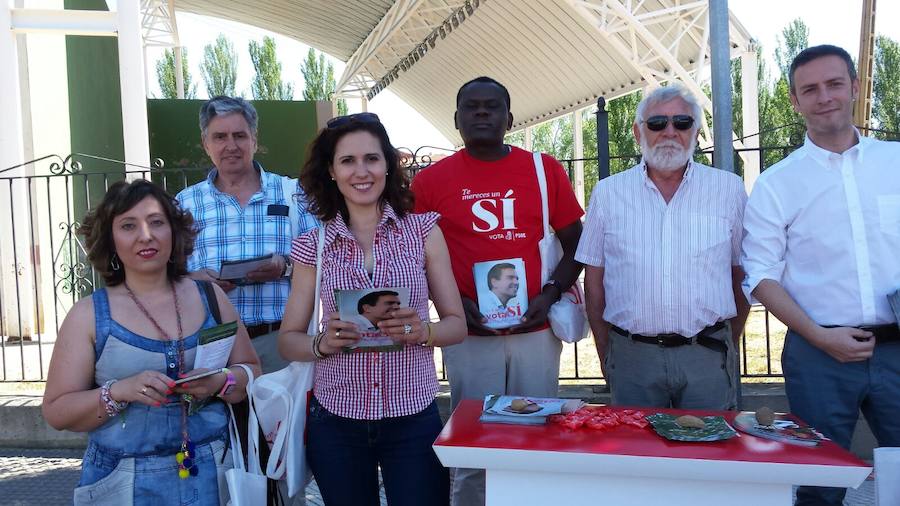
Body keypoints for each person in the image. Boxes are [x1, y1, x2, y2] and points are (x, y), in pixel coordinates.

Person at [410, 76, 584, 506]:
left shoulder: (543, 170)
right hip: (470, 335)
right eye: (472, 107)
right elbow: (417, 256)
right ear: (456, 119)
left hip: (535, 332)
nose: (482, 113)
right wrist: (451, 304)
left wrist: (551, 293)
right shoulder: (430, 182)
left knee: (538, 437)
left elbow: (577, 241)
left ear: (509, 118)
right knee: (473, 446)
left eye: (492, 107)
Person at [277, 112, 466, 506]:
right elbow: (288, 340)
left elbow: (456, 325)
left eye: (372, 159)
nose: (361, 171)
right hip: (337, 419)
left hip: (412, 416)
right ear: (330, 171)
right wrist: (321, 344)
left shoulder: (423, 231)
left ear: (387, 166)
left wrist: (422, 331)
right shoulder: (314, 245)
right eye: (347, 161)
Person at [742, 44, 900, 506]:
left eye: (834, 84)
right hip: (818, 355)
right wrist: (819, 336)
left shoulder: (895, 163)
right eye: (809, 89)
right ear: (794, 101)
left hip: (898, 350)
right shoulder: (777, 183)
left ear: (854, 86)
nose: (824, 96)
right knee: (817, 485)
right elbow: (761, 275)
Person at [42, 180, 261, 505]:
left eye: (157, 222)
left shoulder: (211, 298)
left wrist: (220, 381)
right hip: (121, 481)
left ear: (174, 232)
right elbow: (58, 412)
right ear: (111, 240)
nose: (146, 235)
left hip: (214, 475)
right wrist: (119, 392)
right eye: (129, 225)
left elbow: (252, 370)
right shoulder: (88, 315)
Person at [576, 84, 749, 411]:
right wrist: (606, 351)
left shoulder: (728, 189)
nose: (670, 132)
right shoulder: (609, 193)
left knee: (708, 456)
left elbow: (741, 274)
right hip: (632, 358)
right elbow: (594, 282)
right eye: (656, 123)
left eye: (682, 123)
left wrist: (729, 341)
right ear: (638, 132)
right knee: (638, 458)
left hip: (706, 355)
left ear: (696, 131)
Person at [176, 95, 318, 375]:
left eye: (239, 135)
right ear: (206, 144)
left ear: (254, 139)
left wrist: (286, 266)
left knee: (285, 421)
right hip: (214, 349)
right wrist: (196, 280)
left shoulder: (293, 195)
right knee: (222, 420)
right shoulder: (184, 204)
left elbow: (326, 261)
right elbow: (162, 276)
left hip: (281, 345)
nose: (231, 146)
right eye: (220, 137)